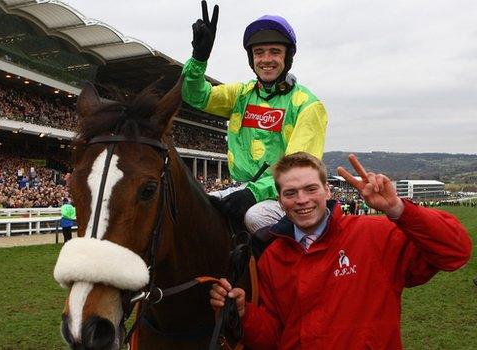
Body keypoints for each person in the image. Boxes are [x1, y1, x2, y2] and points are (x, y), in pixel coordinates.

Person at [209, 152, 471, 349]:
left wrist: (398, 209)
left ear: (326, 190)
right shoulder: (273, 257)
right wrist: (246, 313)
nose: (302, 200)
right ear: (279, 200)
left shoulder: (376, 234)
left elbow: (456, 252)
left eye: (311, 189)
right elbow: (276, 336)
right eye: (291, 192)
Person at [182, 1, 328, 233]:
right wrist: (199, 59)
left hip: (286, 196)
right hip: (242, 188)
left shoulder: (308, 105)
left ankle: (281, 268)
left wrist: (253, 193)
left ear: (287, 57)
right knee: (195, 208)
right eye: (259, 53)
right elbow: (195, 96)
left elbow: (298, 171)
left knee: (255, 216)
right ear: (251, 59)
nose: (266, 59)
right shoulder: (241, 94)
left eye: (275, 52)